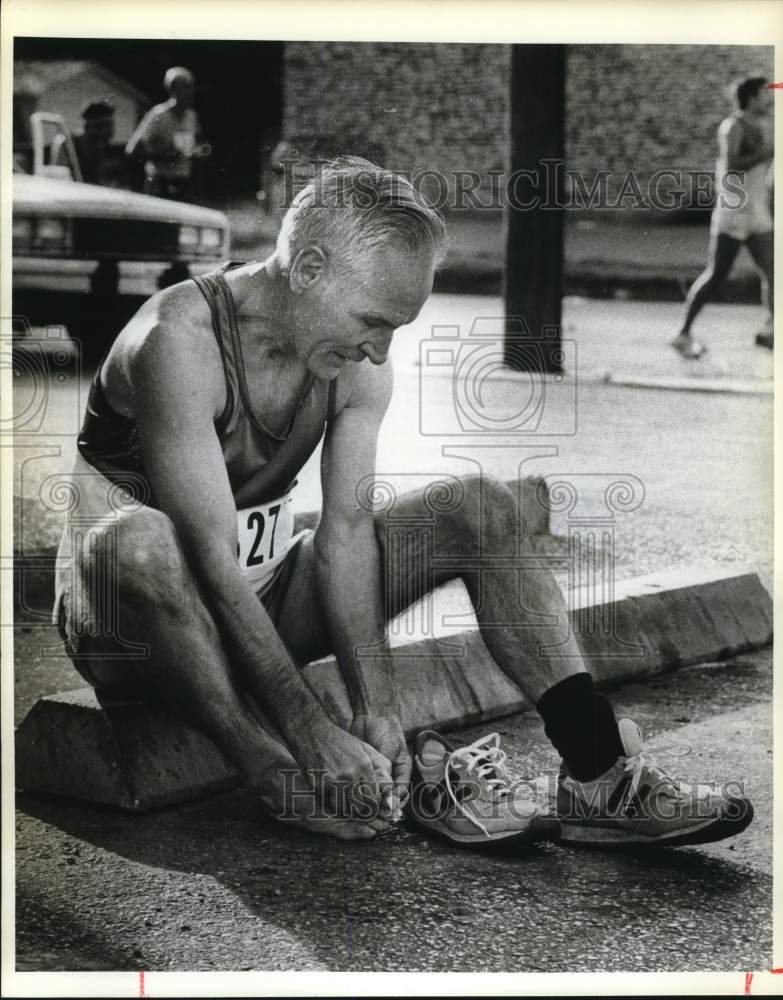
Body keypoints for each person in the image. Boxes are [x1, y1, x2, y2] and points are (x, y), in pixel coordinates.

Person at [54, 158, 753, 847]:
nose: (381, 347)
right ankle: (267, 768)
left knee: (478, 507)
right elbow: (207, 558)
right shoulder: (178, 342)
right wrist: (307, 729)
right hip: (130, 627)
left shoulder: (352, 359)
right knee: (140, 541)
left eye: (398, 326)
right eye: (372, 320)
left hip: (253, 599)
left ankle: (599, 775)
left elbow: (347, 534)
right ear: (307, 270)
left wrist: (375, 709)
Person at [672, 76, 774, 358]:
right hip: (733, 212)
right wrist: (767, 153)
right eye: (766, 94)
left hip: (757, 211)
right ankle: (683, 332)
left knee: (774, 270)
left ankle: (770, 330)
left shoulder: (762, 127)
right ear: (752, 98)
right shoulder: (732, 127)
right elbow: (731, 166)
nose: (771, 99)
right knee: (717, 275)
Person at [125, 66, 209, 200]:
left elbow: (202, 144)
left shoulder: (191, 116)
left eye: (191, 87)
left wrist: (201, 151)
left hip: (184, 184)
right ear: (172, 89)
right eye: (184, 87)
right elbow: (132, 150)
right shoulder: (158, 115)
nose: (190, 92)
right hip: (160, 183)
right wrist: (163, 155)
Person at [53, 100, 128, 188]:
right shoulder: (67, 144)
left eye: (109, 125)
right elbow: (59, 176)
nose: (105, 131)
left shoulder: (107, 149)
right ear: (86, 126)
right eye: (99, 126)